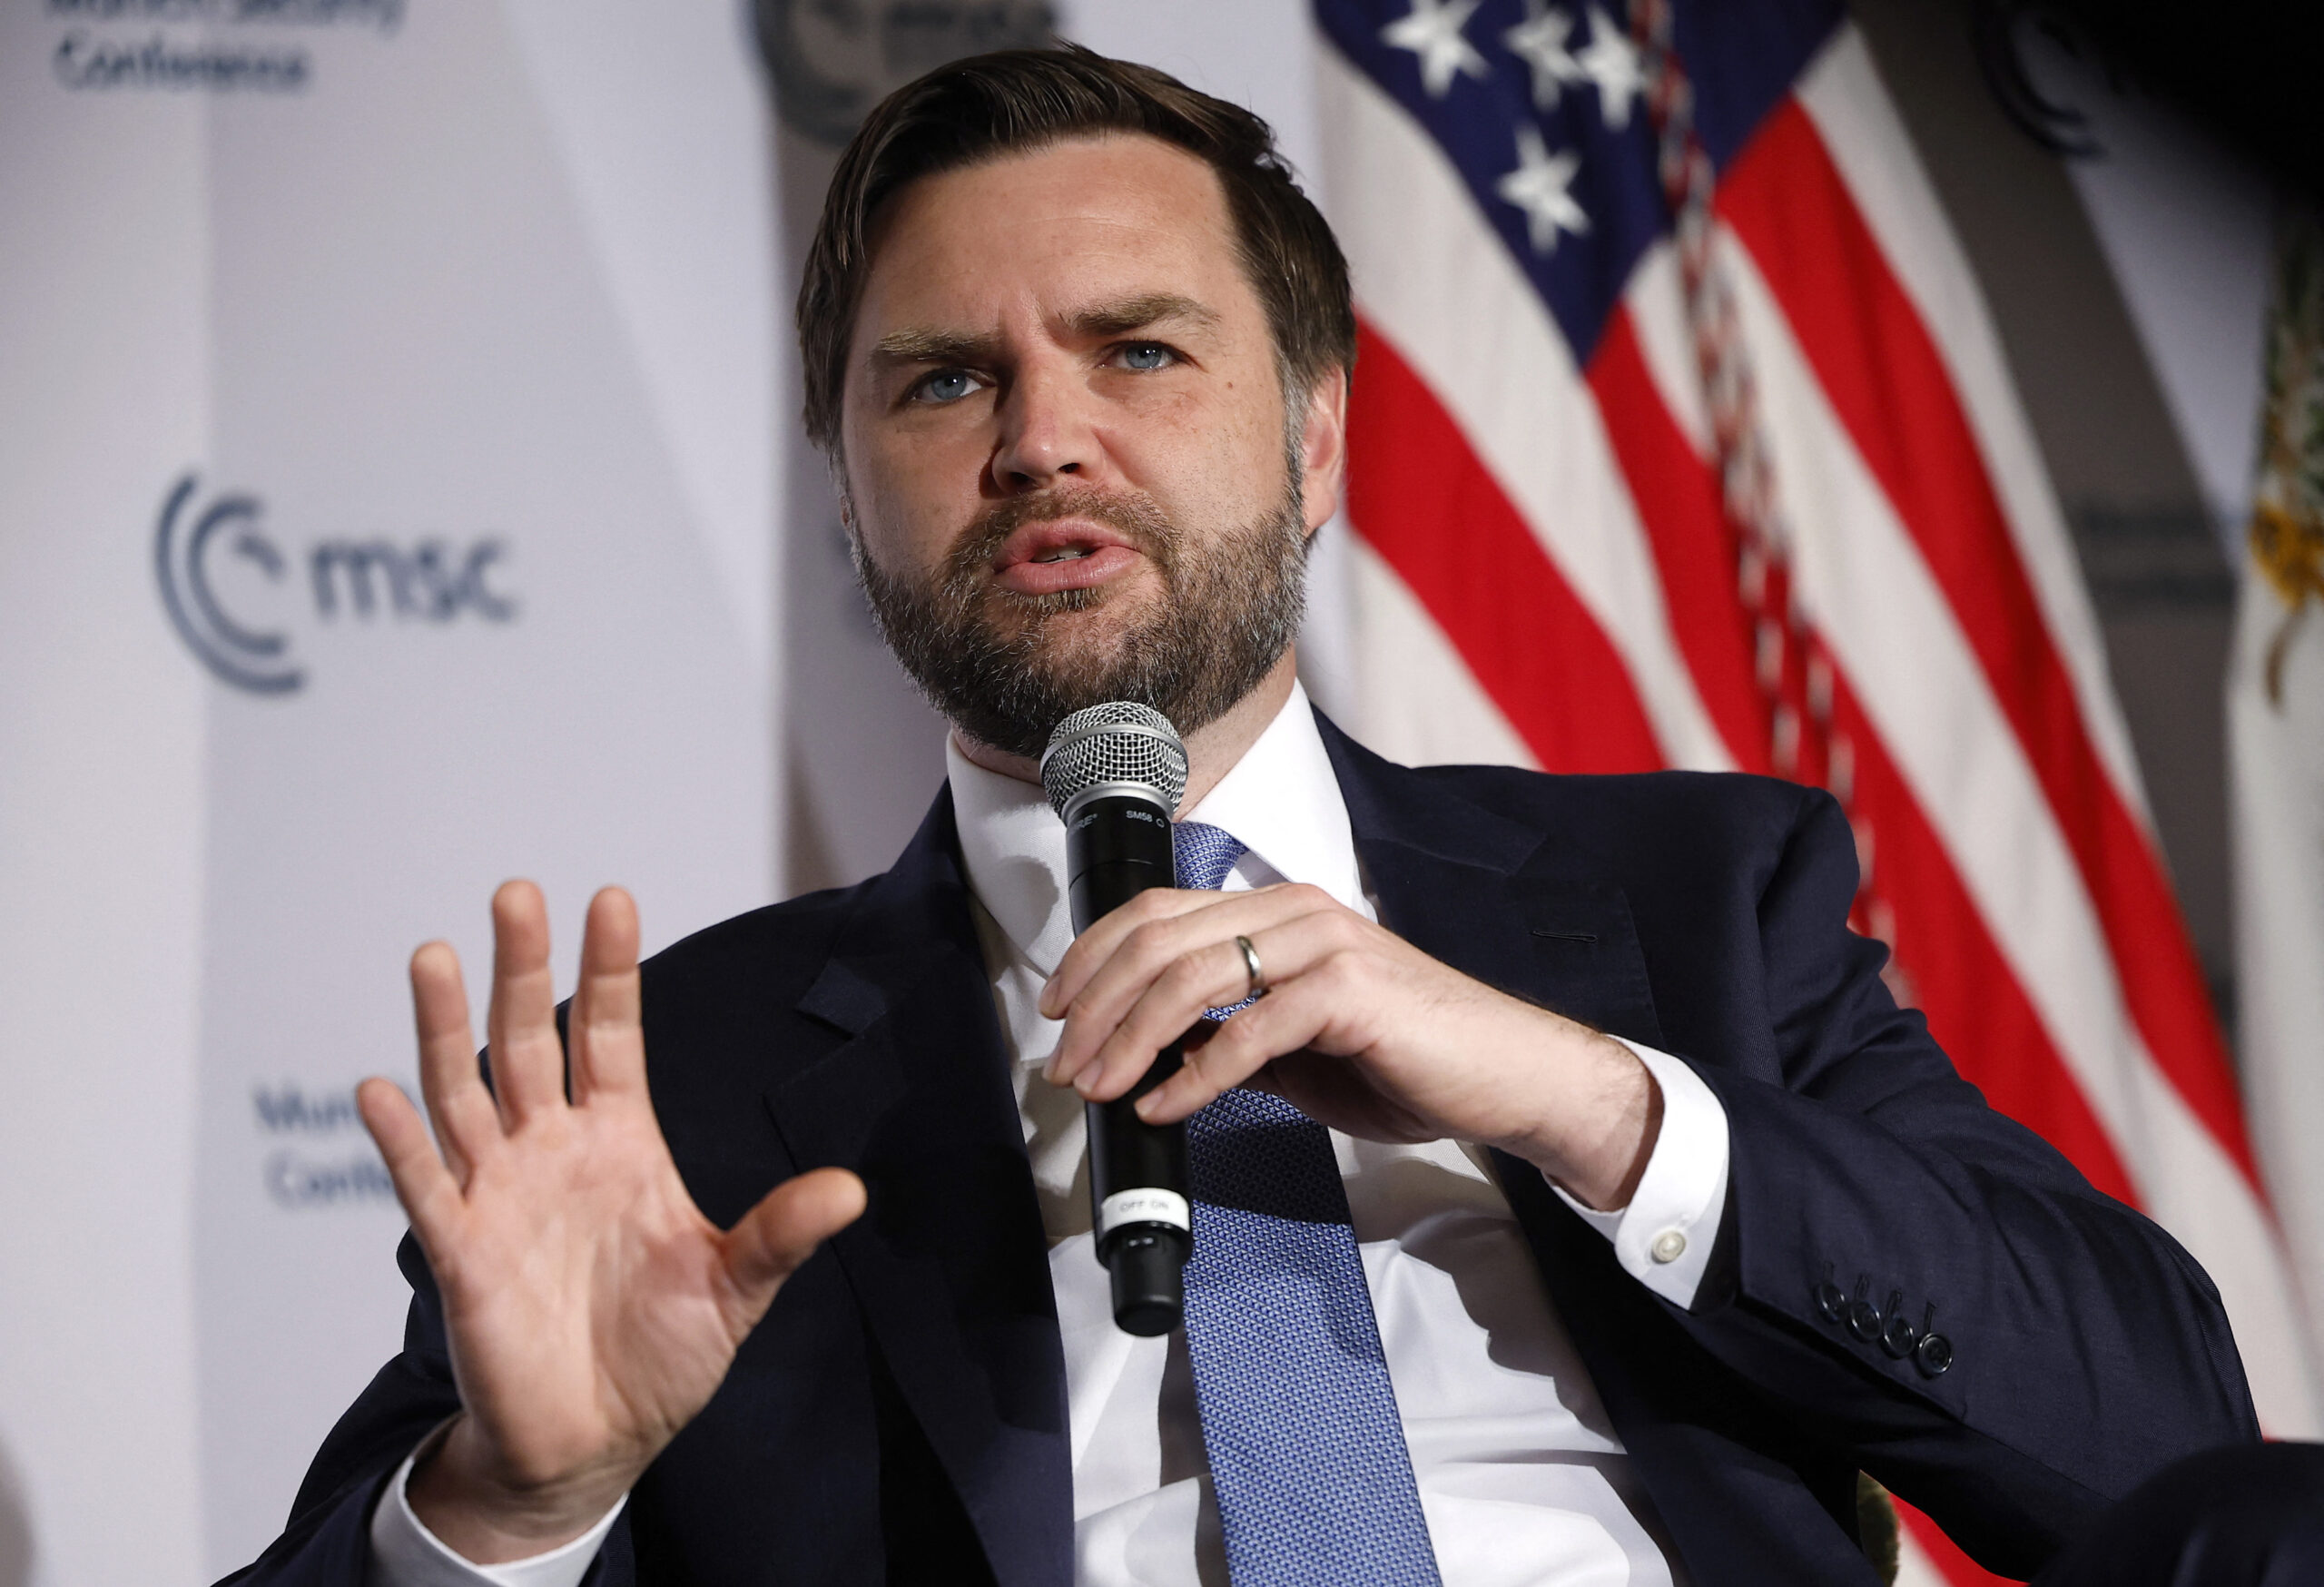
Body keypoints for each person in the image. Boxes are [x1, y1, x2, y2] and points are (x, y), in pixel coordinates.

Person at [224, 44, 2307, 1587]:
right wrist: (509, 1509)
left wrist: (1581, 1100)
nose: (1044, 439)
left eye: (1137, 351)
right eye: (941, 381)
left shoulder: (1691, 902)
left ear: (1312, 442)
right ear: (845, 497)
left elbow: (2154, 1438)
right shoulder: (676, 1084)